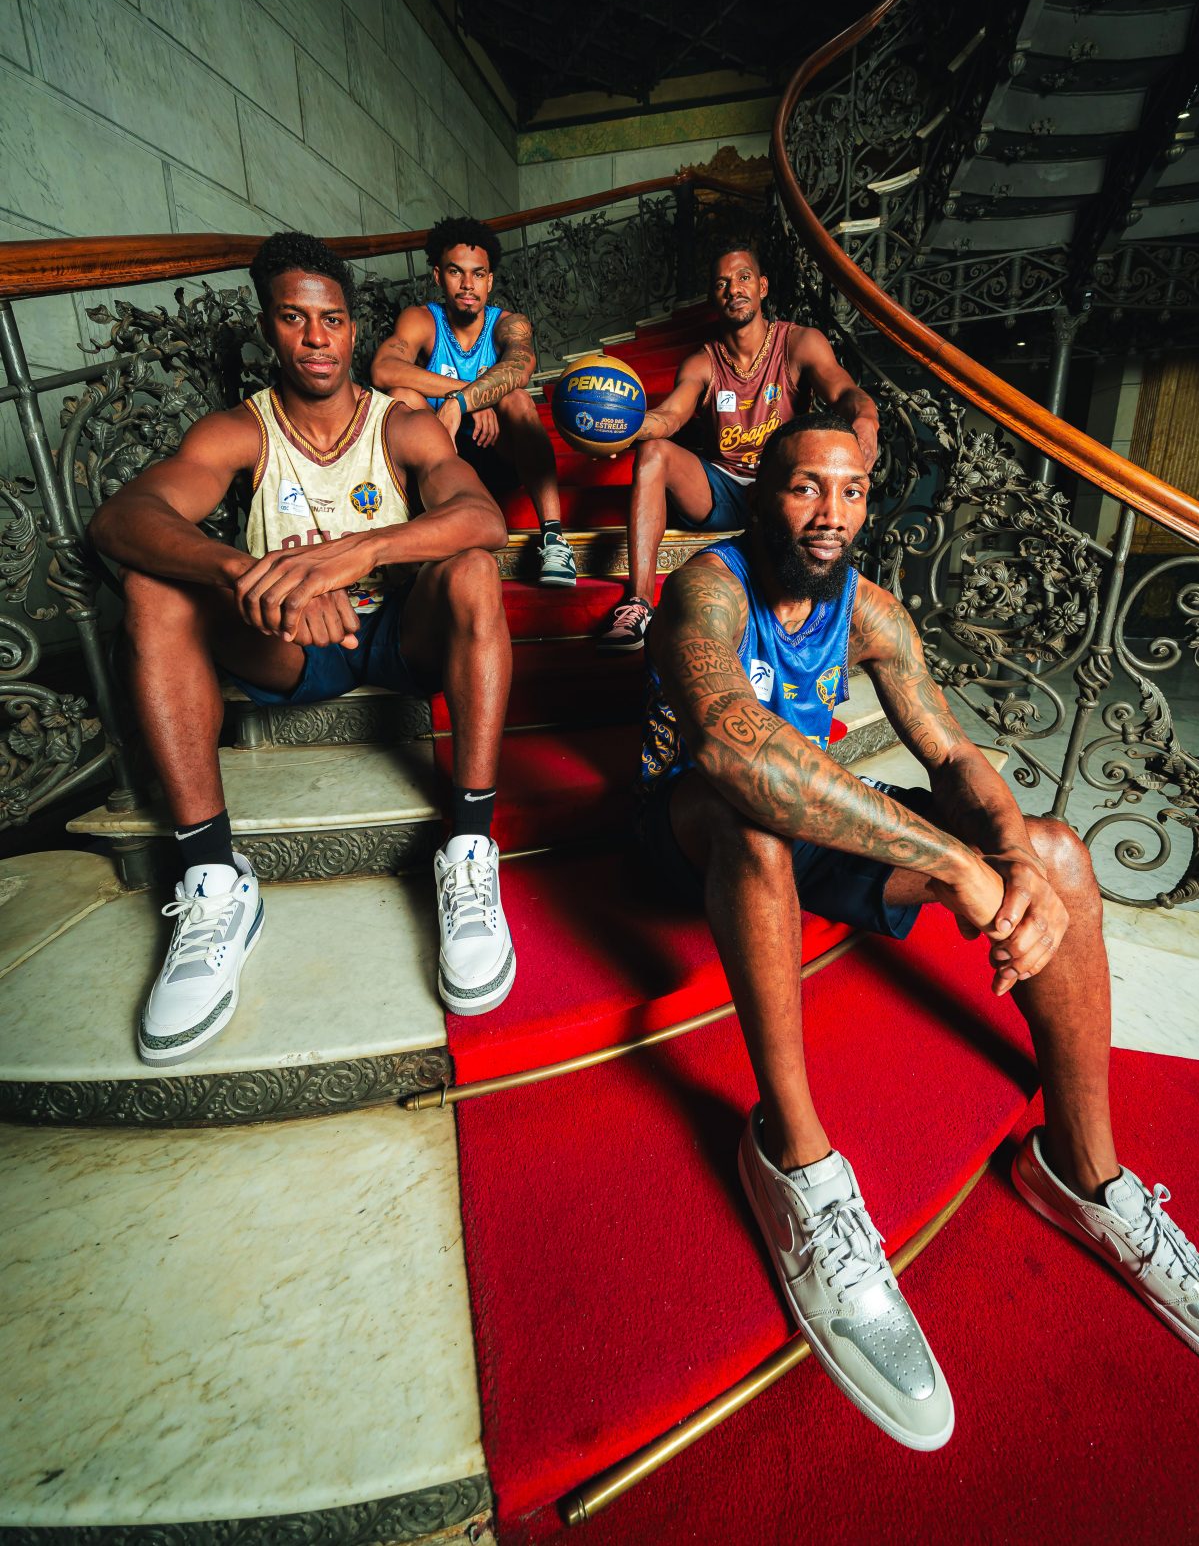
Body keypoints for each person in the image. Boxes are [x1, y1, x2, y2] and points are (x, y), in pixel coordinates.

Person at [641, 412, 1199, 1450]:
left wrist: (1011, 859)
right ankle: (795, 1160)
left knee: (1059, 855)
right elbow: (727, 746)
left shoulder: (873, 613)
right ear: (761, 496)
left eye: (852, 491)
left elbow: (949, 752)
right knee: (755, 826)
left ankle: (1086, 1174)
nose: (832, 512)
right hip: (694, 827)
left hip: (815, 814)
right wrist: (952, 867)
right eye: (806, 487)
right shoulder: (709, 588)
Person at [89, 232, 518, 1068]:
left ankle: (468, 847)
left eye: (332, 320)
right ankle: (215, 882)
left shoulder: (402, 423)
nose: (316, 338)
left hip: (400, 632)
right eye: (294, 318)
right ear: (268, 327)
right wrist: (252, 576)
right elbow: (122, 518)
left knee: (471, 568)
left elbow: (484, 518)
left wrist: (359, 552)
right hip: (289, 643)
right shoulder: (240, 430)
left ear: (354, 328)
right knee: (152, 588)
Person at [597, 244, 879, 649]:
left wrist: (866, 418)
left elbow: (845, 392)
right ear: (713, 297)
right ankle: (640, 603)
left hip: (783, 490)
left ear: (762, 286)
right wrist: (622, 427)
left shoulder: (799, 343)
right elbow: (670, 416)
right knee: (653, 450)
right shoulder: (702, 362)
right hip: (723, 488)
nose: (734, 289)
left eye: (743, 277)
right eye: (722, 283)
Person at [371, 217, 576, 590]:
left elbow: (519, 368)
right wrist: (468, 397)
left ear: (490, 281)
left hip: (496, 453)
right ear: (438, 276)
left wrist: (462, 402)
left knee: (516, 398)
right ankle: (414, 529)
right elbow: (383, 369)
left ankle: (553, 537)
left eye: (478, 274)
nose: (468, 284)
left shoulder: (508, 324)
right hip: (440, 460)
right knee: (401, 397)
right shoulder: (423, 319)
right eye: (456, 272)